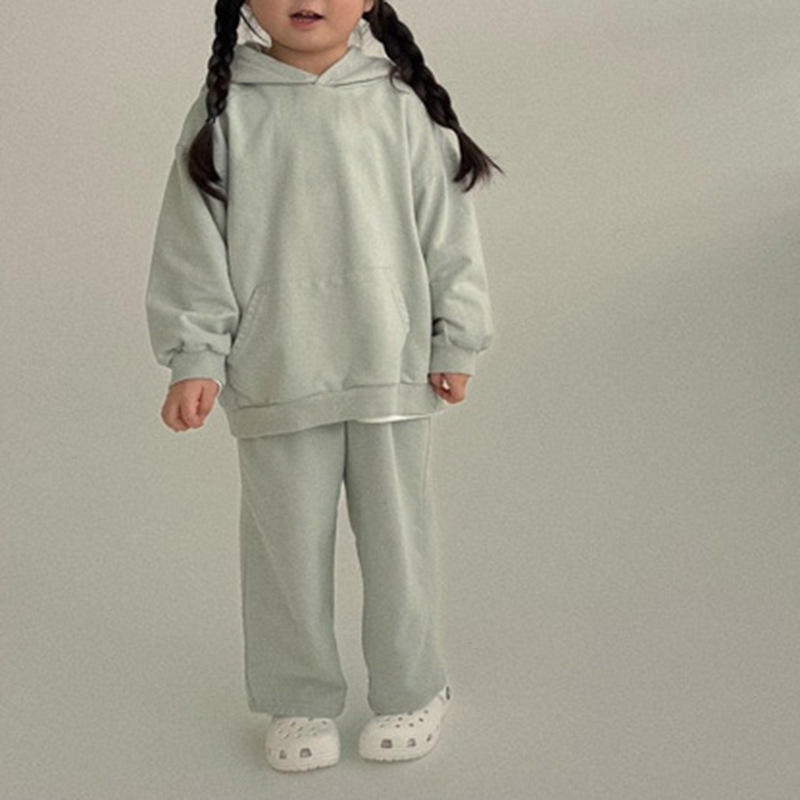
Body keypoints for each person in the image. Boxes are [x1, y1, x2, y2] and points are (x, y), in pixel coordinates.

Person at [144, 0, 500, 773]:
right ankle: (298, 698)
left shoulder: (400, 104)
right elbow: (191, 240)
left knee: (400, 546)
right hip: (276, 373)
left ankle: (414, 688)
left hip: (391, 367)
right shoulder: (224, 111)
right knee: (285, 556)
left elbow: (447, 231)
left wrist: (454, 337)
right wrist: (196, 355)